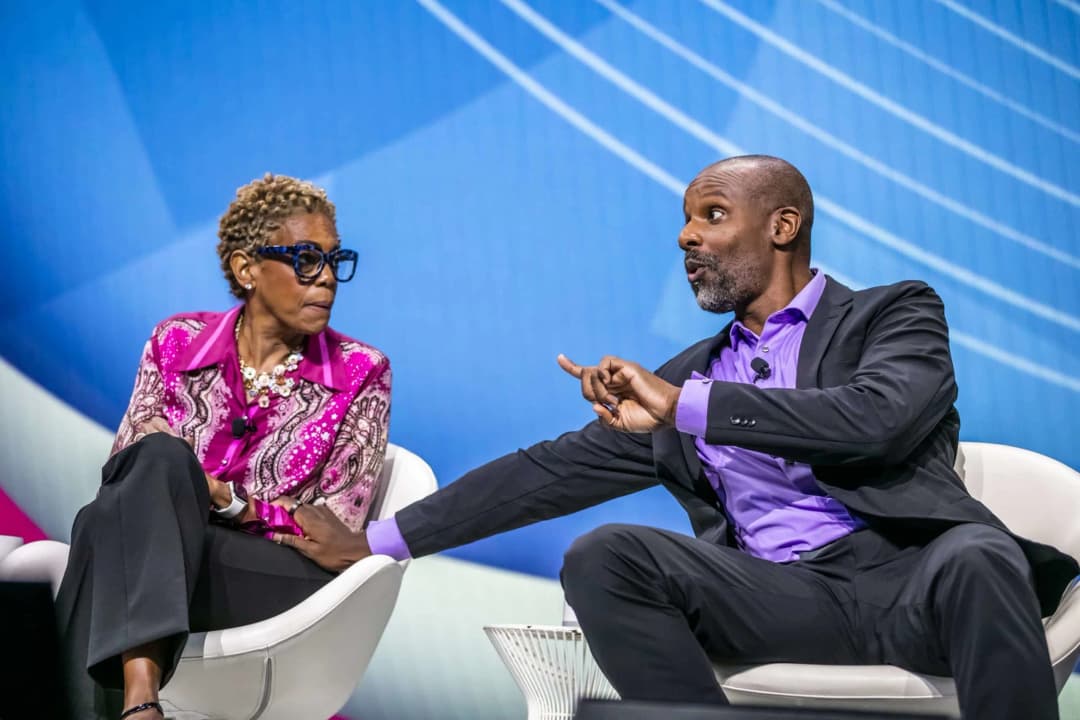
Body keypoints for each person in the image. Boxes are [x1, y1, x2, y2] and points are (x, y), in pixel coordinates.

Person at [313, 155, 1077, 719]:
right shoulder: (683, 383)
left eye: (711, 215)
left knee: (978, 553)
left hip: (912, 583)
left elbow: (875, 419)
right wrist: (378, 540)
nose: (686, 236)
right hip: (780, 597)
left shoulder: (891, 314)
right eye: (685, 220)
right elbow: (549, 472)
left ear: (784, 225)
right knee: (607, 553)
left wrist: (694, 405)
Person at [55, 174, 392, 719]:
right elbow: (125, 466)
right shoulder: (176, 341)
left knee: (103, 531)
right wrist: (183, 488)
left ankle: (133, 701)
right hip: (164, 560)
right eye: (306, 260)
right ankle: (141, 700)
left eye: (336, 260)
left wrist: (226, 501)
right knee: (147, 477)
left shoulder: (360, 372)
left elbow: (337, 525)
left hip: (278, 576)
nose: (327, 279)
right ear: (246, 268)